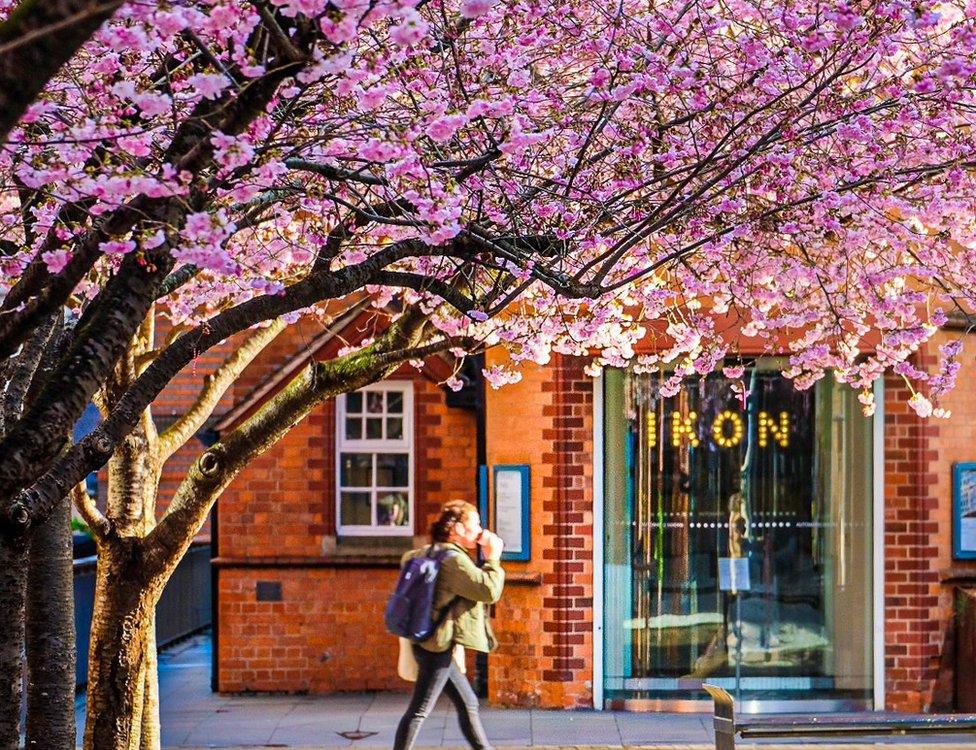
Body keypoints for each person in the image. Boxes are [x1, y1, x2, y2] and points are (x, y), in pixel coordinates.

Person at [393, 500, 505, 750]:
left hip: (429, 641)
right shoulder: (453, 560)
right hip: (436, 647)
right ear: (456, 528)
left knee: (468, 703)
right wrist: (494, 557)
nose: (479, 530)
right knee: (419, 711)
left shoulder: (424, 553)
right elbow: (488, 590)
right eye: (474, 524)